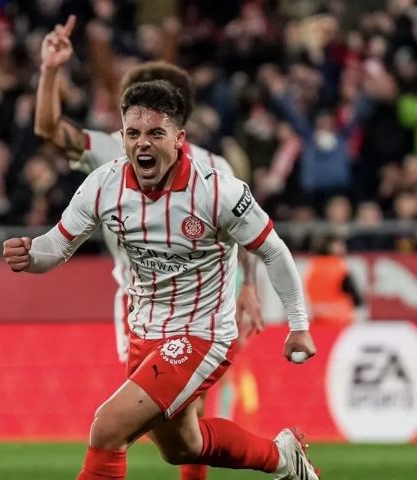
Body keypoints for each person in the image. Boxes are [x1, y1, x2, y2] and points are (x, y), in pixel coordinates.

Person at [5, 80, 319, 480]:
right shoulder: (104, 184)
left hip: (202, 334)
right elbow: (57, 246)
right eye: (133, 133)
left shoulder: (217, 191)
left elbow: (273, 250)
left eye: (155, 133)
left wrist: (298, 325)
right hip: (145, 332)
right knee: (182, 447)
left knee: (108, 427)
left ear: (178, 139)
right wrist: (30, 254)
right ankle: (283, 458)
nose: (143, 143)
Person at [34, 16, 264, 367]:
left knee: (166, 399)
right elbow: (49, 128)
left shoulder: (215, 167)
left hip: (199, 306)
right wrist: (50, 70)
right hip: (140, 304)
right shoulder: (111, 149)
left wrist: (248, 286)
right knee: (160, 400)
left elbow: (244, 233)